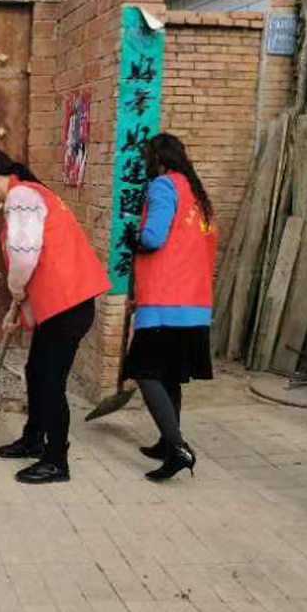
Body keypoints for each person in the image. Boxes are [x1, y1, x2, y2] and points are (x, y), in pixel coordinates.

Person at [0, 147, 110, 484]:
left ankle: (57, 460)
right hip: (62, 306)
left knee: (50, 382)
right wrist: (18, 309)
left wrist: (16, 293)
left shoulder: (22, 197)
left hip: (68, 306)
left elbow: (24, 257)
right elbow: (38, 263)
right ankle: (33, 438)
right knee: (36, 372)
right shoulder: (31, 193)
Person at [125, 133, 216, 480]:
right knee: (169, 376)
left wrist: (134, 238)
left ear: (160, 160)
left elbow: (153, 237)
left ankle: (178, 449)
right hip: (195, 302)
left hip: (166, 302)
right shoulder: (197, 194)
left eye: (148, 157)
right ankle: (167, 440)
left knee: (146, 372)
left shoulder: (164, 186)